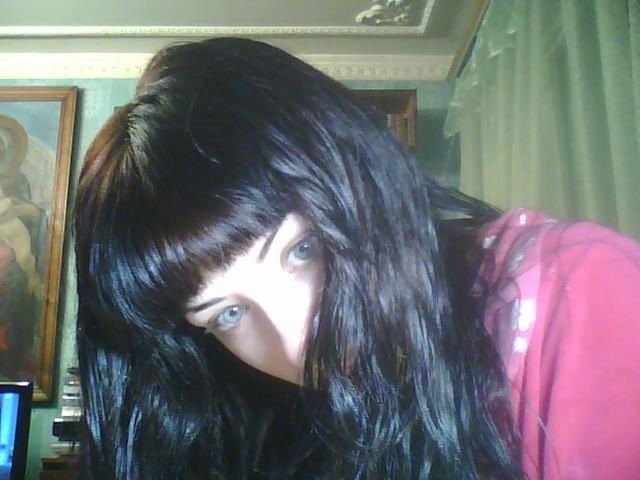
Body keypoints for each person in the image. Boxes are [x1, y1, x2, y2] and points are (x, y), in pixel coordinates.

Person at [74, 38, 640, 480]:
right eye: (228, 313)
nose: (296, 343)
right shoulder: (266, 418)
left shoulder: (577, 298)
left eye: (303, 249)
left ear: (365, 179)